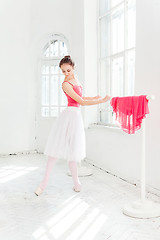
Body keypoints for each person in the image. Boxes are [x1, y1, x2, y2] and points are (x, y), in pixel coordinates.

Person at [34, 55, 111, 196]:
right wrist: (101, 101)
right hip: (69, 116)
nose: (66, 74)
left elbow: (82, 98)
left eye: (68, 70)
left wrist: (96, 98)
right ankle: (43, 183)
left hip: (76, 117)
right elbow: (81, 102)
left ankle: (77, 183)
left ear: (73, 68)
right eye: (63, 71)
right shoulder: (65, 84)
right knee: (55, 151)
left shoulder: (75, 79)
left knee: (73, 152)